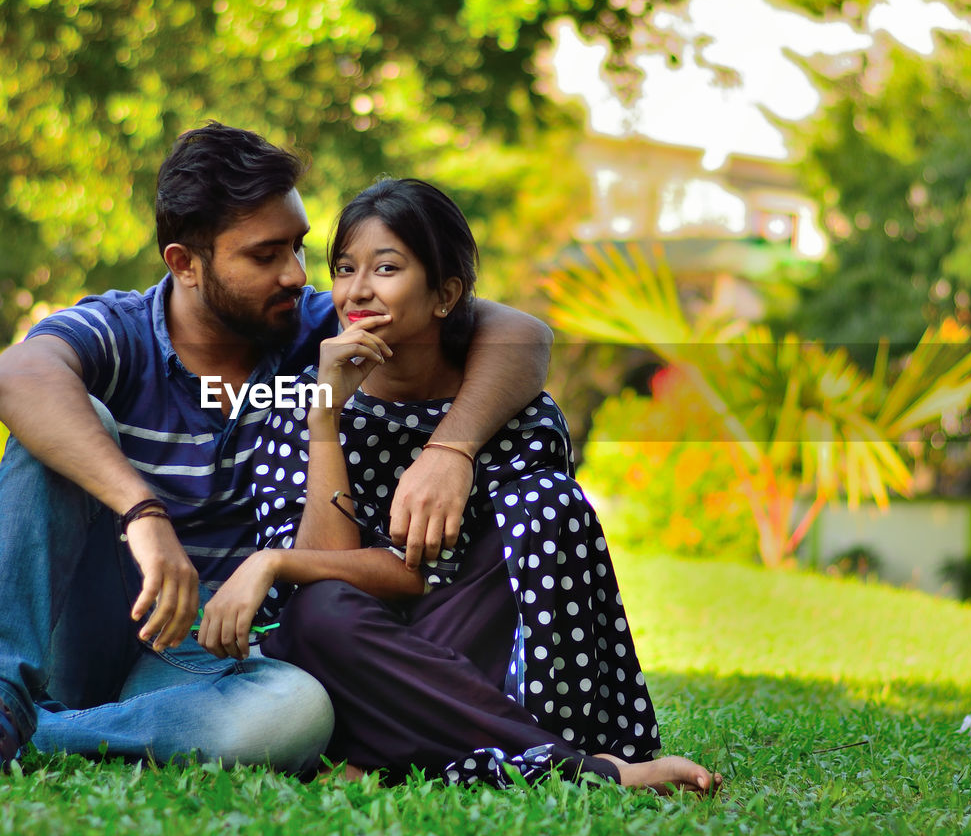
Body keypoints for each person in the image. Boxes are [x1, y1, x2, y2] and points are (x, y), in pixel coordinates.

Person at [0, 125, 557, 778]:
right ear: (186, 263)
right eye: (266, 255)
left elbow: (521, 334)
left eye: (299, 248)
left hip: (212, 649)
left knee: (298, 714)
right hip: (97, 615)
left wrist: (450, 450)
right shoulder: (122, 333)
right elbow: (15, 378)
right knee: (64, 424)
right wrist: (143, 513)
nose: (298, 276)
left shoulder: (312, 332)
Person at [194, 178, 721, 792]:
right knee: (320, 611)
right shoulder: (299, 406)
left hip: (470, 646)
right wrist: (325, 424)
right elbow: (328, 568)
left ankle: (409, 756)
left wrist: (451, 451)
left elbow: (432, 574)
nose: (357, 290)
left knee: (551, 505)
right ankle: (578, 771)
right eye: (343, 268)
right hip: (355, 650)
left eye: (386, 268)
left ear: (445, 294)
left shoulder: (511, 413)